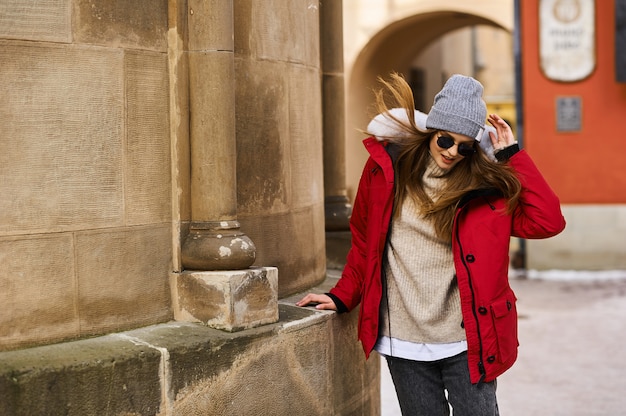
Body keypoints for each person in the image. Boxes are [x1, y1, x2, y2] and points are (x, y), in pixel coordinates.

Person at [296, 73, 566, 415]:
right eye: (445, 140)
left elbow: (548, 221)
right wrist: (341, 295)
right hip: (403, 339)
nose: (453, 152)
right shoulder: (386, 171)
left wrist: (511, 155)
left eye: (465, 146)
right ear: (431, 132)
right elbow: (365, 243)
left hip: (467, 340)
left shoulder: (485, 191)